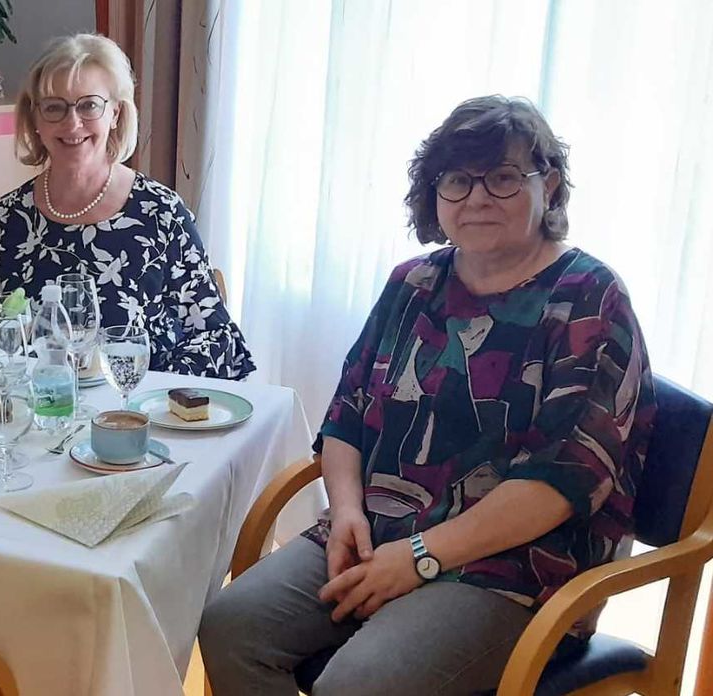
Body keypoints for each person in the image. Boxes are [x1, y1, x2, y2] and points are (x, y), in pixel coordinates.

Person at [198, 95, 655, 695]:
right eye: (457, 180)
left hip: (517, 569)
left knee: (356, 686)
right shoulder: (414, 283)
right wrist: (347, 514)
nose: (477, 198)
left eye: (503, 177)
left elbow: (558, 485)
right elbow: (346, 418)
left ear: (549, 186)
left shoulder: (589, 300)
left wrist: (420, 556)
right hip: (380, 531)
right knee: (231, 626)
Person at [0, 33, 255, 379]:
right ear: (34, 119)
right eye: (54, 107)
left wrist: (151, 397)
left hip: (142, 405)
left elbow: (214, 341)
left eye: (89, 105)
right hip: (42, 405)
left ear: (115, 113)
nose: (72, 123)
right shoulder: (4, 220)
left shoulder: (161, 212)